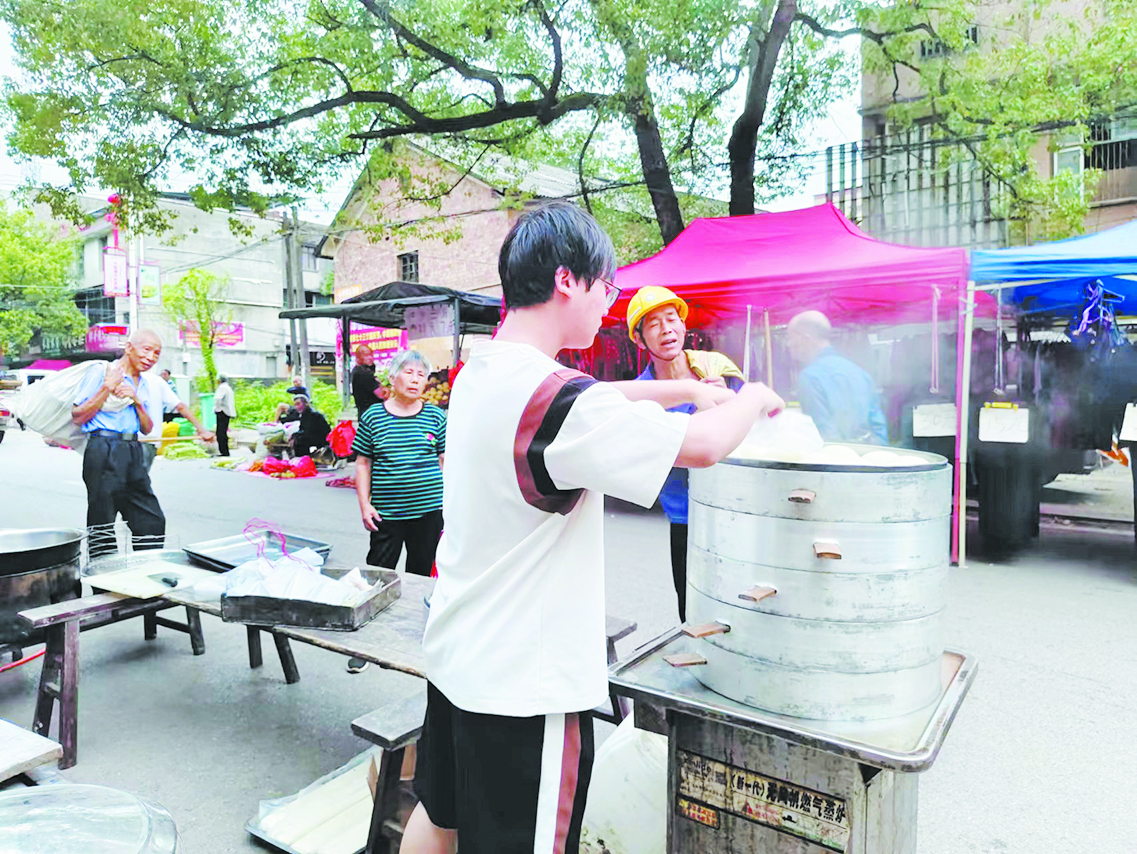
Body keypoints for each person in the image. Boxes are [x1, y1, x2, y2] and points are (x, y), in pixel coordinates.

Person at [402, 201, 783, 854]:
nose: (609, 303)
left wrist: (683, 389)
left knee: (439, 817)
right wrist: (751, 396)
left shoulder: (481, 373)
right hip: (525, 687)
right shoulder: (554, 402)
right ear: (565, 281)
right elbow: (702, 447)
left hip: (457, 657)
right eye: (606, 286)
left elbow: (590, 398)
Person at [628, 286, 744, 622]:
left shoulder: (716, 369)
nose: (666, 329)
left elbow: (756, 428)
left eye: (671, 319)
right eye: (653, 324)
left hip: (733, 511)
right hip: (685, 519)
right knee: (691, 610)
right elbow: (649, 457)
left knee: (739, 605)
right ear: (639, 340)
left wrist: (731, 403)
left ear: (683, 325)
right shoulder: (641, 394)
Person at [348, 349, 446, 674]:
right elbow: (363, 462)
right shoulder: (374, 417)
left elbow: (445, 461)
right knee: (378, 575)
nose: (416, 380)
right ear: (393, 377)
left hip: (428, 512)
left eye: (421, 374)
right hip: (386, 513)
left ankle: (411, 639)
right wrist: (365, 504)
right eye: (409, 372)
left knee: (420, 576)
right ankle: (365, 643)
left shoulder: (436, 417)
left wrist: (452, 503)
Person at [71, 331, 169, 556]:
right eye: (147, 350)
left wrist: (136, 401)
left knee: (151, 519)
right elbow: (78, 415)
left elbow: (147, 428)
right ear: (129, 348)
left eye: (157, 353)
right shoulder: (102, 371)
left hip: (133, 449)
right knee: (103, 521)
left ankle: (146, 569)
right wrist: (107, 387)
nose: (151, 357)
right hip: (103, 446)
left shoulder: (143, 383)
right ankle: (104, 575)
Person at [787, 310, 888, 444]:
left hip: (835, 455)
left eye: (790, 337)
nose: (788, 344)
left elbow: (823, 435)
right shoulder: (861, 374)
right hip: (868, 454)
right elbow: (879, 429)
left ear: (806, 338)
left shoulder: (810, 377)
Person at [140, 367, 214, 469]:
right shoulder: (155, 381)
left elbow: (179, 405)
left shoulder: (160, 382)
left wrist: (201, 430)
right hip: (139, 439)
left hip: (149, 437)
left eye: (165, 374)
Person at [351, 344, 387, 417]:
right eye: (366, 355)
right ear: (358, 358)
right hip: (371, 414)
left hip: (365, 413)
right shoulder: (363, 373)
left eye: (371, 355)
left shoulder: (357, 370)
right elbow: (382, 395)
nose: (370, 358)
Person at [213, 375, 236, 457]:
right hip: (228, 412)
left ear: (219, 380)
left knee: (220, 432)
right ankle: (225, 451)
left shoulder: (222, 388)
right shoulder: (228, 388)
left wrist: (218, 409)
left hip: (222, 411)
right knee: (223, 431)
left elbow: (218, 399)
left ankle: (223, 451)